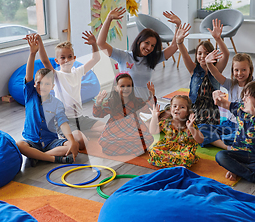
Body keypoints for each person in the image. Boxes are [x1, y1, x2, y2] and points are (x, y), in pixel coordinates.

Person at [16, 35, 79, 167]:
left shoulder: (56, 103)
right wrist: (32, 53)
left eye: (46, 84)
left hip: (50, 142)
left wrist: (72, 141)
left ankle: (39, 157)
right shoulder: (30, 95)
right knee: (19, 145)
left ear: (52, 86)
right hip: (32, 141)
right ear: (34, 84)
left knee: (74, 145)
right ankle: (51, 159)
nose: (42, 87)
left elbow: (63, 123)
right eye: (39, 83)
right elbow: (28, 75)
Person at [34, 32, 104, 150]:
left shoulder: (78, 71)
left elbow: (96, 58)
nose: (67, 60)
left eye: (70, 56)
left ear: (74, 58)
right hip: (64, 120)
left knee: (107, 129)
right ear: (57, 61)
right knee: (82, 143)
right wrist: (40, 43)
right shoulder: (56, 75)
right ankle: (72, 135)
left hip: (80, 118)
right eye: (63, 57)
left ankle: (83, 133)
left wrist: (93, 44)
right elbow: (45, 61)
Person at [96, 7, 184, 99]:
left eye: (153, 46)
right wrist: (109, 19)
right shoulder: (123, 56)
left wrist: (178, 25)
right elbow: (101, 43)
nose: (149, 48)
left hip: (145, 103)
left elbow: (174, 46)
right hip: (126, 105)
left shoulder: (152, 58)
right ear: (139, 41)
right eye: (147, 43)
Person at [200, 45, 255, 149]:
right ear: (233, 71)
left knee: (241, 137)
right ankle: (226, 145)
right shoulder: (230, 84)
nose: (239, 73)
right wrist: (208, 63)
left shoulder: (254, 85)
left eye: (243, 70)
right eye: (236, 70)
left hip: (244, 127)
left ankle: (218, 140)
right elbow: (216, 74)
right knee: (201, 128)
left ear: (250, 70)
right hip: (228, 124)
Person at [165, 11, 230, 126]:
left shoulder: (217, 70)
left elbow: (226, 54)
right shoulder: (193, 69)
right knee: (168, 111)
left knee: (204, 131)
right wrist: (179, 38)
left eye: (206, 53)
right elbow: (184, 52)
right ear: (196, 55)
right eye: (199, 53)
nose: (203, 56)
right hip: (194, 108)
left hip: (211, 111)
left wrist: (218, 39)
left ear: (212, 54)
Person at [213, 81, 255, 187]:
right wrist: (216, 95)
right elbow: (222, 103)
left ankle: (237, 169)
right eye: (243, 96)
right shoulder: (240, 108)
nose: (243, 99)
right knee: (220, 155)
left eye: (247, 96)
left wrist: (253, 111)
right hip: (238, 154)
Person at [93, 73, 155, 156]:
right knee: (104, 142)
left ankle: (129, 148)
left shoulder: (137, 101)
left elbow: (148, 109)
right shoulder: (111, 103)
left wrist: (152, 95)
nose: (126, 88)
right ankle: (132, 149)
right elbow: (98, 114)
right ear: (116, 88)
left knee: (148, 138)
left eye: (129, 86)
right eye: (122, 86)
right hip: (115, 129)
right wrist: (98, 103)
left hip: (134, 128)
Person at [148, 95, 204, 168]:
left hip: (184, 150)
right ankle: (177, 164)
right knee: (153, 150)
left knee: (187, 157)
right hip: (168, 147)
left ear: (187, 112)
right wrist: (154, 117)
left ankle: (171, 162)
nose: (177, 108)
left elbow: (201, 140)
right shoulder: (167, 122)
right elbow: (153, 131)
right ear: (171, 109)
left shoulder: (189, 124)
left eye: (182, 107)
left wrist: (191, 128)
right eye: (174, 106)